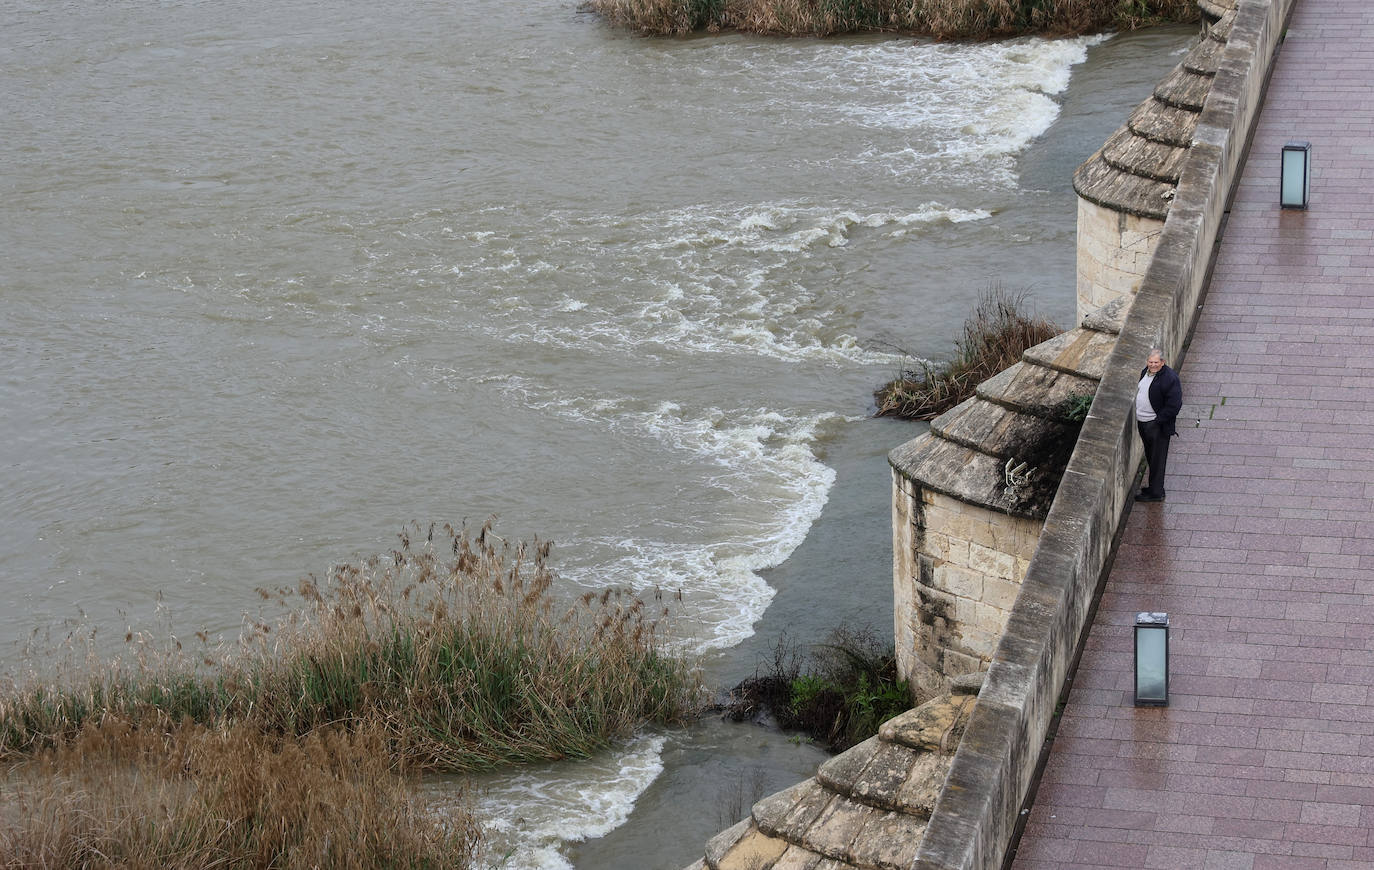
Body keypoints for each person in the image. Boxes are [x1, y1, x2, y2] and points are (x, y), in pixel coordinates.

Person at [1135, 348, 1181, 503]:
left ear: (1163, 362)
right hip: (1143, 423)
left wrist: (1158, 421)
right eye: (1150, 362)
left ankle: (1156, 493)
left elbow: (1174, 405)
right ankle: (1154, 487)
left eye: (1156, 362)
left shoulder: (1170, 378)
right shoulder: (1145, 372)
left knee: (1157, 459)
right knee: (1151, 457)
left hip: (1156, 426)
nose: (1153, 365)